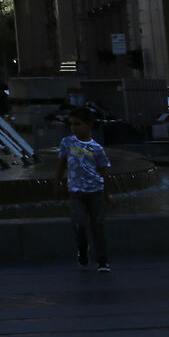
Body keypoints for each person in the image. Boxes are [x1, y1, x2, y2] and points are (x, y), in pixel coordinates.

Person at [57, 107, 112, 271]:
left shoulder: (97, 149)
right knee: (80, 223)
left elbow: (103, 172)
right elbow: (61, 164)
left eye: (78, 124)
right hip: (76, 193)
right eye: (71, 124)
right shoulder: (67, 143)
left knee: (98, 225)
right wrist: (57, 183)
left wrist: (107, 195)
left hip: (95, 192)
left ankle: (102, 261)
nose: (74, 127)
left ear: (89, 125)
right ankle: (82, 250)